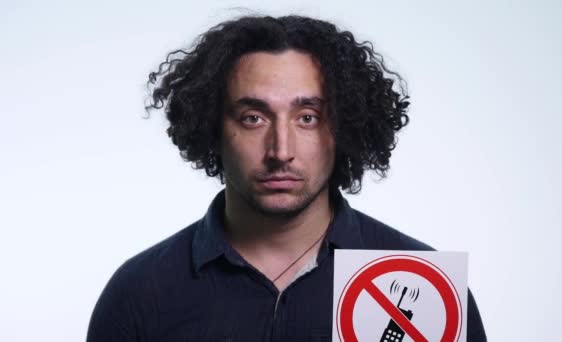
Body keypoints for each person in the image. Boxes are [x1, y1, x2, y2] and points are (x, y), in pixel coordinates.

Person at [87, 14, 487, 341]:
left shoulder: (428, 290)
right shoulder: (140, 292)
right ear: (212, 128)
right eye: (253, 117)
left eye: (308, 118)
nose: (281, 150)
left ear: (343, 129)